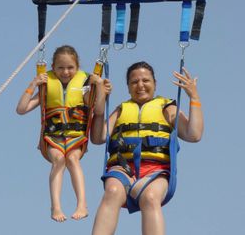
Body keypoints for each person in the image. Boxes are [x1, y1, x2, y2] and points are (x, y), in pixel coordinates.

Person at [90, 61, 204, 235]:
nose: (140, 85)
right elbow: (98, 138)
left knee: (150, 197)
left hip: (156, 171)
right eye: (134, 82)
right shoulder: (121, 110)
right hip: (123, 169)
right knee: (112, 191)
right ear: (128, 87)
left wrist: (194, 97)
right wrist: (99, 104)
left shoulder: (167, 108)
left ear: (155, 84)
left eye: (146, 80)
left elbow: (194, 134)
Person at [16, 45, 111, 222]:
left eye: (70, 68)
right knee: (59, 160)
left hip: (76, 136)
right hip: (52, 137)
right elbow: (21, 109)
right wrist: (33, 84)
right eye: (60, 68)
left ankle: (82, 204)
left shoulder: (84, 85)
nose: (65, 72)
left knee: (72, 159)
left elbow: (97, 110)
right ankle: (56, 206)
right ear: (53, 67)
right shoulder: (46, 87)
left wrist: (99, 87)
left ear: (77, 67)